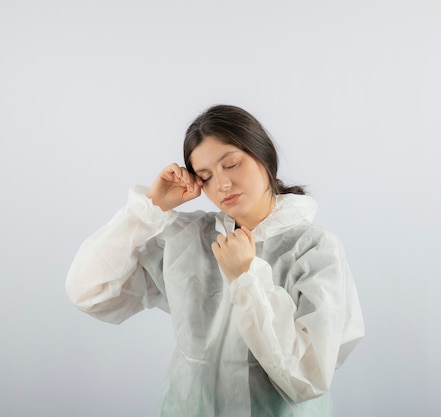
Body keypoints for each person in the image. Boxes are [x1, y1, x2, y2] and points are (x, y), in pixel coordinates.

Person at [65, 104, 364, 416]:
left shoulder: (314, 249)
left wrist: (247, 278)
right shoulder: (190, 240)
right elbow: (89, 292)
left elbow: (308, 377)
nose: (221, 185)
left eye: (231, 164)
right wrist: (150, 210)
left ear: (263, 155)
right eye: (206, 176)